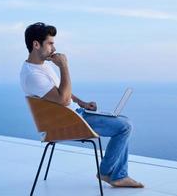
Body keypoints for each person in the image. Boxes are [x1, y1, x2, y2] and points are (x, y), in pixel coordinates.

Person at [20, 22, 144, 188]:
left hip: (75, 114)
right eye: (50, 43)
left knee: (122, 120)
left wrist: (82, 103)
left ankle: (115, 174)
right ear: (36, 44)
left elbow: (60, 93)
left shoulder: (42, 67)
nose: (54, 48)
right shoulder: (32, 75)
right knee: (124, 126)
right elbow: (63, 99)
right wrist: (64, 66)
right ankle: (110, 174)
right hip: (66, 122)